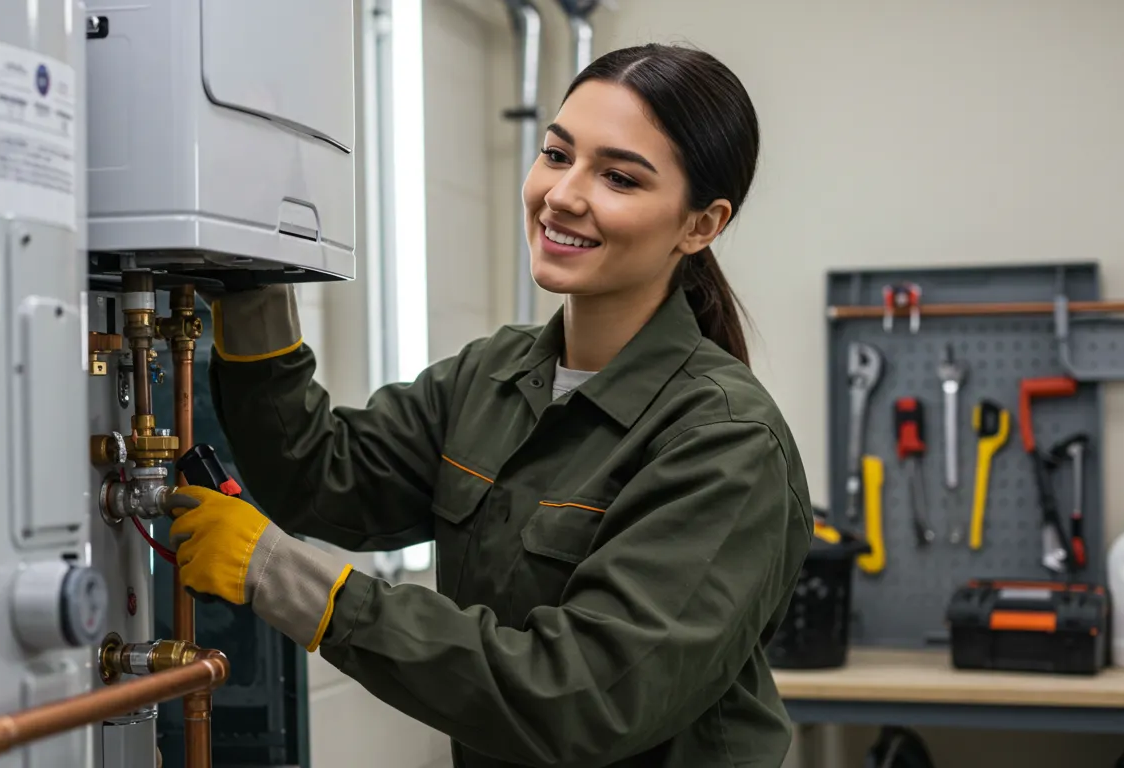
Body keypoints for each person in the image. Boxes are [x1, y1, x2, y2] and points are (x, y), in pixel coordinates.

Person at [169, 43, 814, 768]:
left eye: (619, 177)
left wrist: (291, 582)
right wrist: (249, 271)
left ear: (701, 225)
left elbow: (579, 697)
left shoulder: (726, 443)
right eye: (556, 154)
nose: (564, 194)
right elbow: (318, 479)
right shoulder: (492, 377)